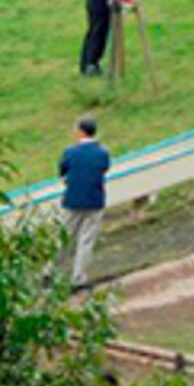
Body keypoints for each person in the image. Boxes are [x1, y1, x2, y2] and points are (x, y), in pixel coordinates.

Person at [52, 117, 109, 291]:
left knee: (64, 236)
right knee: (86, 239)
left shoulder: (70, 152)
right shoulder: (102, 153)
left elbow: (62, 172)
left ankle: (51, 270)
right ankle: (78, 277)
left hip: (73, 200)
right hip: (94, 199)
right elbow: (103, 169)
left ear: (80, 131)